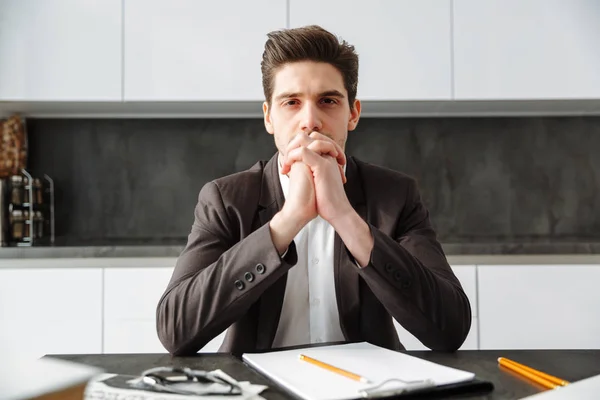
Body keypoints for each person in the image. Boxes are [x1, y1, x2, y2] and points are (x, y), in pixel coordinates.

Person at [156, 25, 471, 356]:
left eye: (328, 101)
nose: (310, 120)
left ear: (353, 113)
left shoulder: (396, 195)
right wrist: (287, 221)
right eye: (291, 102)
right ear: (269, 117)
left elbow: (450, 330)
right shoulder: (225, 199)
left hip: (368, 387)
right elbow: (175, 329)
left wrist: (345, 218)